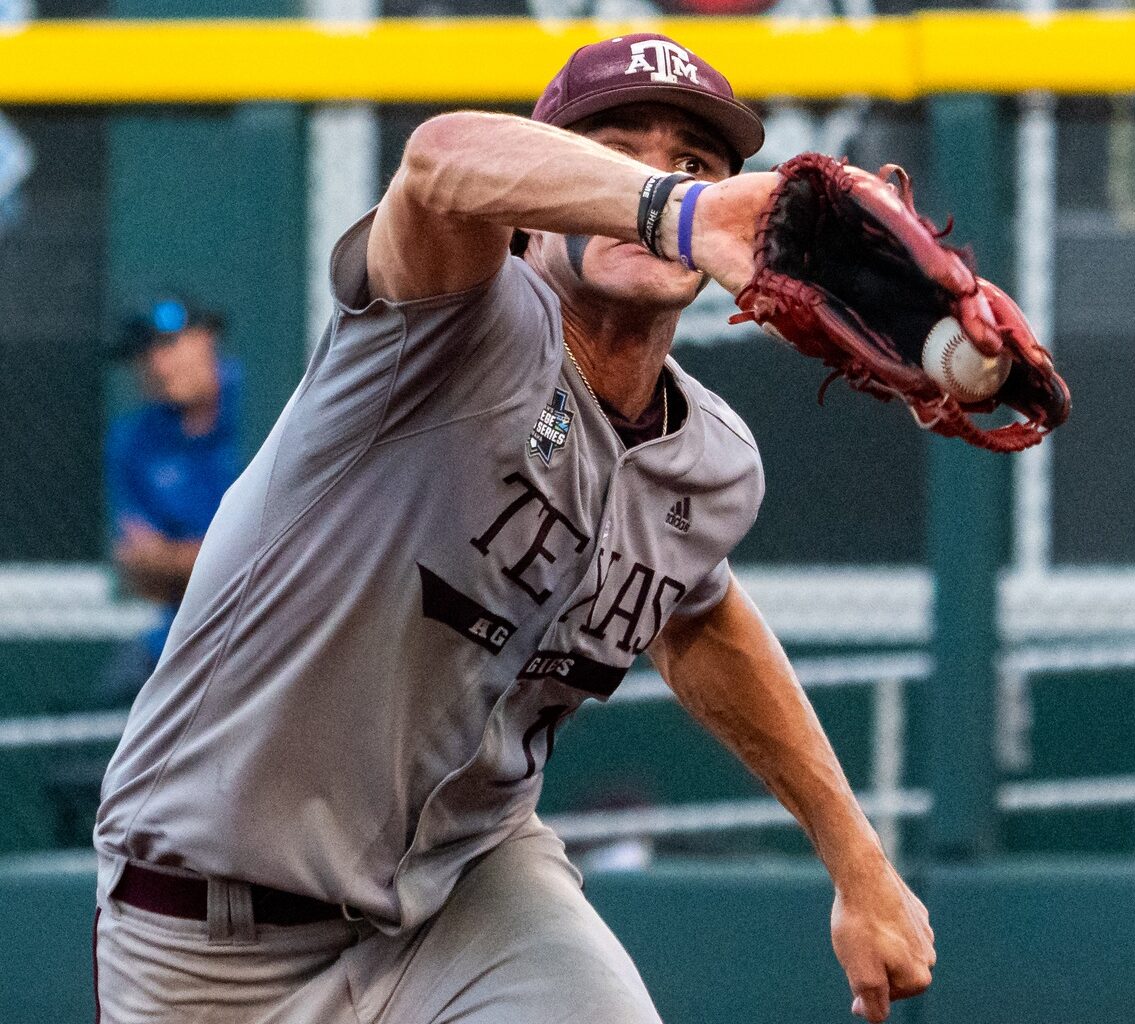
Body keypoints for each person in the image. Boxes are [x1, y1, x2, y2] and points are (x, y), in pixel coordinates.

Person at [92, 32, 934, 1024]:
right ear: (538, 213)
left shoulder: (710, 460)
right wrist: (675, 207)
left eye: (692, 163)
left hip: (469, 890)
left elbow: (697, 615)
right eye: (611, 154)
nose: (655, 179)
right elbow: (443, 162)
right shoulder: (446, 324)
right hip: (214, 930)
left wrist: (858, 862)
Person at [100, 298, 241, 705]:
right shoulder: (135, 440)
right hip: (180, 636)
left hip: (279, 629)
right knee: (95, 727)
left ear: (206, 338)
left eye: (168, 346)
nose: (158, 366)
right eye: (145, 356)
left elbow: (278, 560)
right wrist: (211, 559)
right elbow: (138, 570)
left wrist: (172, 558)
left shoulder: (263, 405)